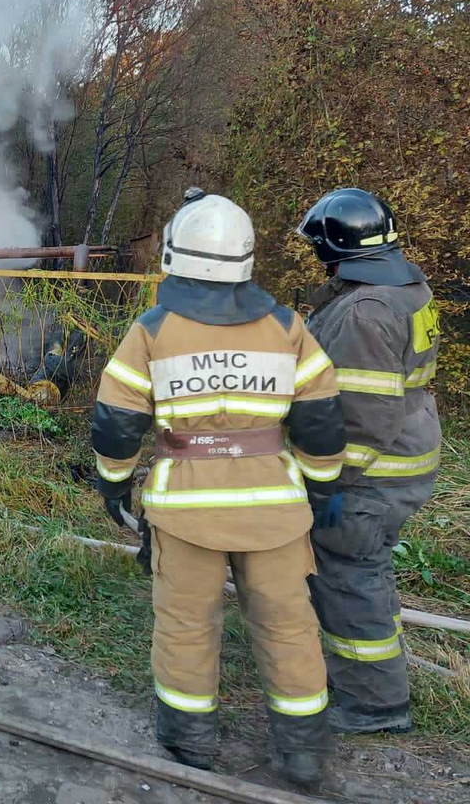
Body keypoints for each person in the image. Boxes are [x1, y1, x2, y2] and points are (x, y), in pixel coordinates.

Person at [91, 189, 345, 786]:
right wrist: (324, 485)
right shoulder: (287, 327)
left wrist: (113, 484)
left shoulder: (153, 329)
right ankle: (305, 751)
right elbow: (321, 418)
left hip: (186, 513)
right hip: (275, 512)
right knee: (289, 625)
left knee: (185, 622)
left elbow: (117, 420)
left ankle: (189, 740)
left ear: (176, 256)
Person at [296, 188, 441, 735]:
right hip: (407, 455)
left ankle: (374, 705)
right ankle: (370, 676)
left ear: (336, 246)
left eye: (320, 248)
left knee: (349, 577)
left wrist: (329, 480)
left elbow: (361, 418)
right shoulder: (405, 286)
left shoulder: (364, 312)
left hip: (370, 473)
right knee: (368, 573)